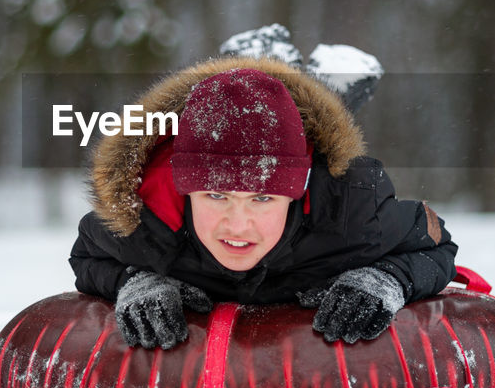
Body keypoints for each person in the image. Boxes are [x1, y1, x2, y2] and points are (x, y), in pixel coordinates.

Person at [68, 57, 458, 349]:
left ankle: (320, 72)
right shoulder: (145, 225)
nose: (238, 226)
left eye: (262, 197)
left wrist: (385, 277)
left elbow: (435, 243)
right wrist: (135, 281)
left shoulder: (349, 216)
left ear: (296, 192)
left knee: (316, 103)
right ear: (184, 191)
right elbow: (88, 255)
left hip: (298, 151)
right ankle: (265, 57)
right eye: (216, 195)